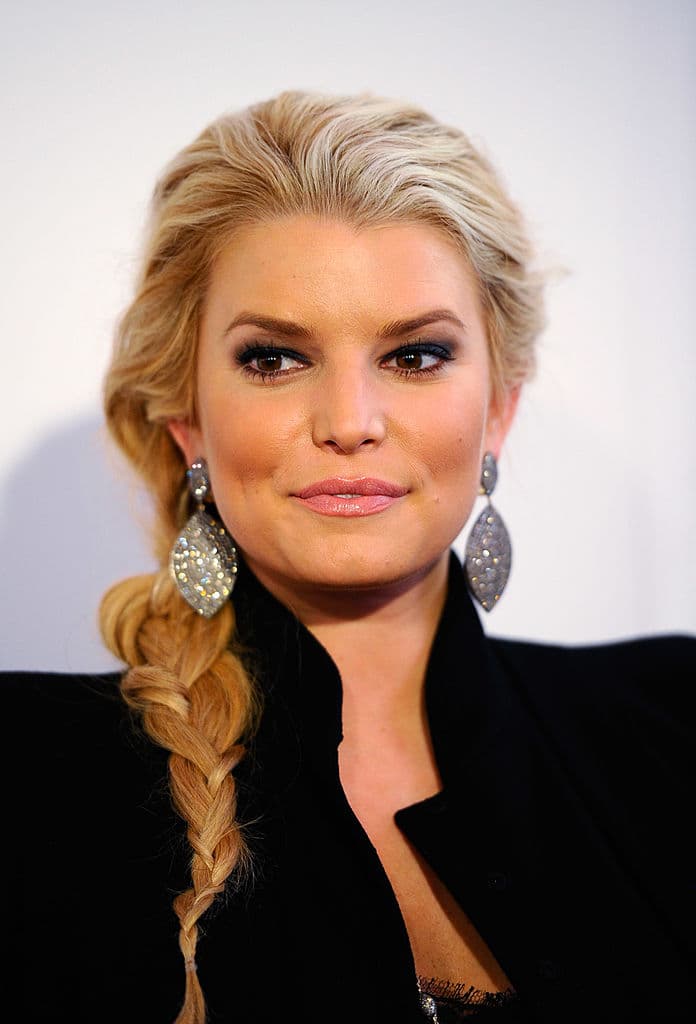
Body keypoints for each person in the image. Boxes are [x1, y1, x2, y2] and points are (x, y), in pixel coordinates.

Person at [4, 90, 694, 1024]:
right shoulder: (22, 776)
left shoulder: (671, 729)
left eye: (415, 356)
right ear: (187, 419)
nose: (350, 422)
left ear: (499, 407)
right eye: (273, 358)